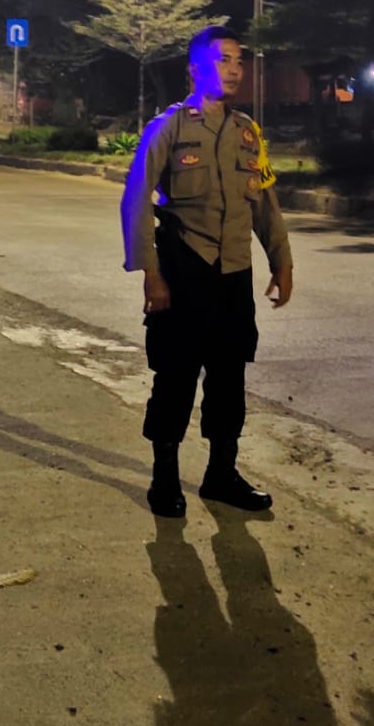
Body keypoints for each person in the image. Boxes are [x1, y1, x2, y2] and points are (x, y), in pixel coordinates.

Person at [120, 25, 294, 518]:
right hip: (184, 269)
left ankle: (221, 475)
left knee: (229, 378)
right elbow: (136, 201)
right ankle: (164, 478)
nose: (235, 69)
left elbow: (264, 203)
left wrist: (281, 260)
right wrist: (151, 273)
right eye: (223, 59)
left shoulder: (247, 132)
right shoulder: (168, 128)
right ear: (196, 68)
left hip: (234, 274)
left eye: (239, 60)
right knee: (175, 376)